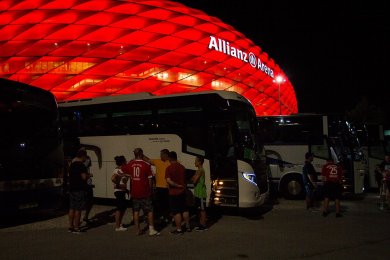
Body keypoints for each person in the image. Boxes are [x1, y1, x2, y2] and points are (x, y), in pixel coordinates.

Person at [121, 148, 159, 236]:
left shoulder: (130, 164)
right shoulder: (146, 165)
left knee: (136, 211)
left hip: (134, 192)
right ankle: (151, 229)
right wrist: (150, 190)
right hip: (145, 192)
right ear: (141, 154)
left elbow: (121, 170)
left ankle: (137, 230)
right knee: (149, 210)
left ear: (134, 154)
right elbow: (150, 180)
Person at [165, 151, 191, 234]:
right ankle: (188, 226)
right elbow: (185, 180)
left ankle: (179, 229)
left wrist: (177, 186)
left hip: (174, 193)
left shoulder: (169, 168)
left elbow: (169, 181)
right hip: (183, 191)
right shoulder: (182, 167)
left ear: (170, 158)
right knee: (184, 209)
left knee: (176, 212)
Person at [68, 149, 90, 234]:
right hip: (79, 189)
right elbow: (84, 177)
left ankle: (70, 226)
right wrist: (89, 175)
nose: (86, 159)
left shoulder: (72, 165)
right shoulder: (82, 165)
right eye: (86, 157)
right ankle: (77, 227)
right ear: (83, 156)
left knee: (71, 208)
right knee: (78, 209)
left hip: (72, 188)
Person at [149, 149, 171, 223]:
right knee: (159, 204)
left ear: (166, 155)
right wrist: (140, 155)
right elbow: (148, 160)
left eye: (161, 154)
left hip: (168, 187)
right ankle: (162, 217)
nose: (160, 156)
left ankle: (166, 217)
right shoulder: (157, 161)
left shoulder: (171, 162)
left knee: (167, 204)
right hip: (159, 187)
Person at [73, 148, 94, 223]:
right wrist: (89, 175)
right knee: (79, 204)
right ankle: (76, 224)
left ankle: (85, 217)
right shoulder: (75, 161)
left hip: (88, 182)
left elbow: (88, 168)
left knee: (90, 200)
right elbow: (82, 175)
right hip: (81, 184)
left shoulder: (88, 159)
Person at [111, 155, 129, 231]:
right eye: (125, 160)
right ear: (123, 162)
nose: (126, 161)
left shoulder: (122, 170)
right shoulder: (118, 170)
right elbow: (113, 178)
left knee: (122, 208)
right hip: (119, 191)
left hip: (122, 191)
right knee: (119, 208)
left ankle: (119, 224)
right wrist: (118, 185)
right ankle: (117, 227)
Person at [191, 155, 207, 231]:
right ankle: (200, 224)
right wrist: (194, 178)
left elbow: (194, 181)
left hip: (201, 193)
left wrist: (194, 178)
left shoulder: (200, 170)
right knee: (199, 209)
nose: (194, 162)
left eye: (196, 160)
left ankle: (203, 226)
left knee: (202, 210)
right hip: (198, 193)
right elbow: (193, 179)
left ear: (199, 162)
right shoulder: (198, 170)